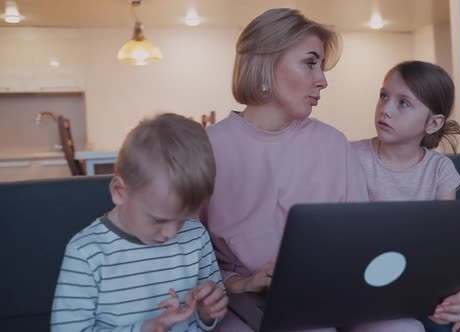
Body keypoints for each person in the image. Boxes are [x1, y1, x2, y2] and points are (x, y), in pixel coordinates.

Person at [202, 7, 425, 332]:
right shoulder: (205, 149)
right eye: (310, 63)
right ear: (265, 61)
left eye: (321, 66)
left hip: (333, 291)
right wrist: (240, 283)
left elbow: (362, 240)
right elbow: (176, 253)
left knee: (404, 328)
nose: (322, 80)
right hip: (246, 298)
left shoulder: (333, 143)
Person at [351, 60, 460, 332]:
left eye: (403, 103)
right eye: (384, 96)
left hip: (436, 273)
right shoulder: (352, 157)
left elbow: (449, 245)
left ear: (433, 123)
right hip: (383, 277)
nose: (385, 109)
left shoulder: (440, 168)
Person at [51, 113, 228, 332]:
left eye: (183, 219)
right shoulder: (87, 253)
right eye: (158, 220)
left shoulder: (196, 236)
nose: (172, 233)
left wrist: (208, 312)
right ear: (119, 192)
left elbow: (213, 315)